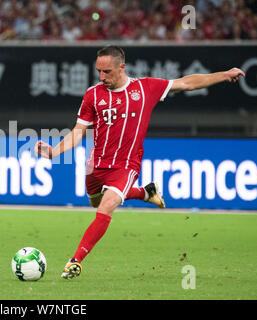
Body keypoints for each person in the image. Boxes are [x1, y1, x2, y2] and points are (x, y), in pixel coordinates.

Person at [35, 45, 245, 279]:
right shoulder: (93, 95)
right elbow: (78, 132)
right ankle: (145, 193)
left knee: (106, 206)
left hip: (126, 166)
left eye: (107, 72)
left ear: (121, 67)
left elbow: (187, 82)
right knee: (95, 202)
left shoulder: (145, 89)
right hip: (95, 165)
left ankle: (75, 261)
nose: (102, 77)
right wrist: (54, 152)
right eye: (99, 71)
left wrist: (224, 75)